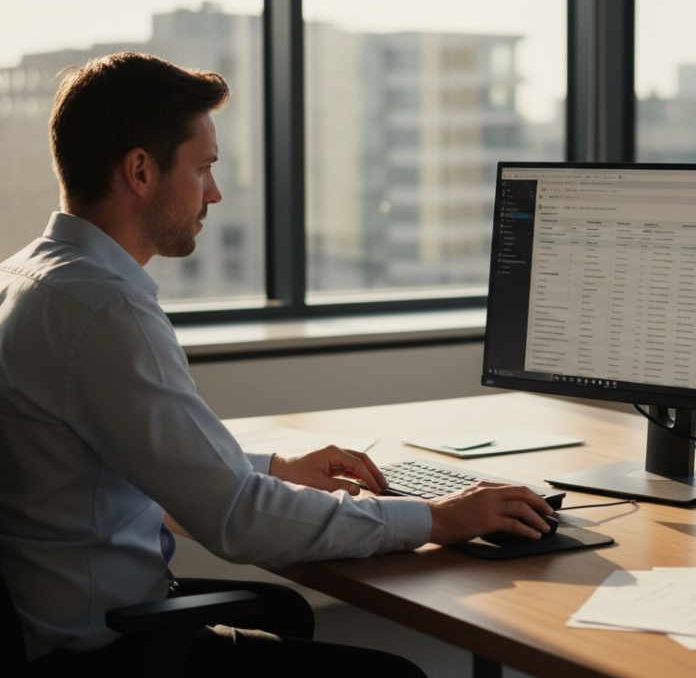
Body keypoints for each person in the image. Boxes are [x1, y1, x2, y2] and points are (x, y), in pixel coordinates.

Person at [0, 52, 554, 674]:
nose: (215, 192)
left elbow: (155, 464)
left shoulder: (27, 279)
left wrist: (276, 468)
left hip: (56, 617)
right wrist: (435, 517)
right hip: (97, 649)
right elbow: (236, 519)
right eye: (203, 168)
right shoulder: (107, 312)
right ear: (140, 171)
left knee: (284, 610)